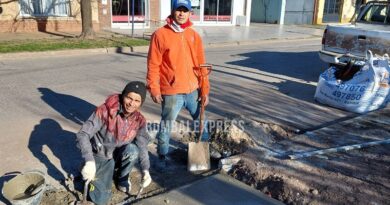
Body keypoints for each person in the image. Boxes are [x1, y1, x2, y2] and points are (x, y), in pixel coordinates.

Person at [146, 0, 210, 170]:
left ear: (190, 13)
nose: (181, 13)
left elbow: (201, 64)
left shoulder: (194, 35)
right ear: (172, 11)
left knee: (202, 120)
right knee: (167, 124)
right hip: (172, 91)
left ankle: (203, 151)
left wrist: (204, 90)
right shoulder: (160, 35)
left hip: (193, 90)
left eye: (185, 10)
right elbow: (153, 64)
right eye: (178, 10)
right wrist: (154, 88)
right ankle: (162, 155)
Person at [76, 81, 152, 205]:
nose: (132, 103)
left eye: (137, 101)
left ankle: (121, 178)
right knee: (100, 200)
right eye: (129, 98)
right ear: (123, 96)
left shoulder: (139, 120)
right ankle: (85, 169)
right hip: (101, 155)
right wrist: (89, 160)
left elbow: (142, 147)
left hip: (116, 155)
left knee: (133, 150)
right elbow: (83, 134)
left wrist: (145, 170)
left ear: (141, 103)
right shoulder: (105, 111)